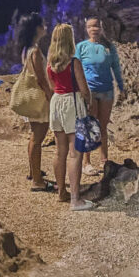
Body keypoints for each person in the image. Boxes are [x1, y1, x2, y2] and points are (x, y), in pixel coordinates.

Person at [46, 23, 95, 211]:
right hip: (72, 103)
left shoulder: (50, 63)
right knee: (75, 153)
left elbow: (52, 86)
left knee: (60, 151)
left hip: (57, 102)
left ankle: (61, 193)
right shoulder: (73, 62)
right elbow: (83, 88)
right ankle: (75, 199)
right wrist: (88, 103)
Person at [75, 17, 125, 176]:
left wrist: (121, 86)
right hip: (89, 91)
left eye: (96, 25)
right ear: (86, 29)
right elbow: (75, 69)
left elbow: (115, 67)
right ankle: (86, 163)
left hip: (106, 90)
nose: (93, 29)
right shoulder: (81, 47)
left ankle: (104, 161)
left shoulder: (109, 47)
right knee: (89, 126)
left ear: (101, 27)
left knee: (103, 126)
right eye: (90, 26)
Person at [15, 13, 53, 191]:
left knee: (33, 136)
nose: (46, 27)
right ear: (37, 28)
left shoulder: (26, 49)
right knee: (38, 138)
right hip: (39, 99)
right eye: (43, 25)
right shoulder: (35, 51)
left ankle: (33, 171)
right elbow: (40, 78)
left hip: (32, 98)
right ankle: (37, 181)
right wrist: (51, 95)